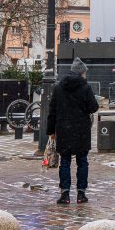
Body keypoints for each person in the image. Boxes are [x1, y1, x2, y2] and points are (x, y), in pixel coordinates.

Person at [47, 57, 99, 205]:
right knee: (82, 162)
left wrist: (51, 131)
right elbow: (94, 107)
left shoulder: (58, 87)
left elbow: (52, 111)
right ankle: (81, 194)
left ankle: (65, 194)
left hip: (63, 130)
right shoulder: (86, 87)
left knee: (65, 162)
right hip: (81, 130)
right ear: (82, 72)